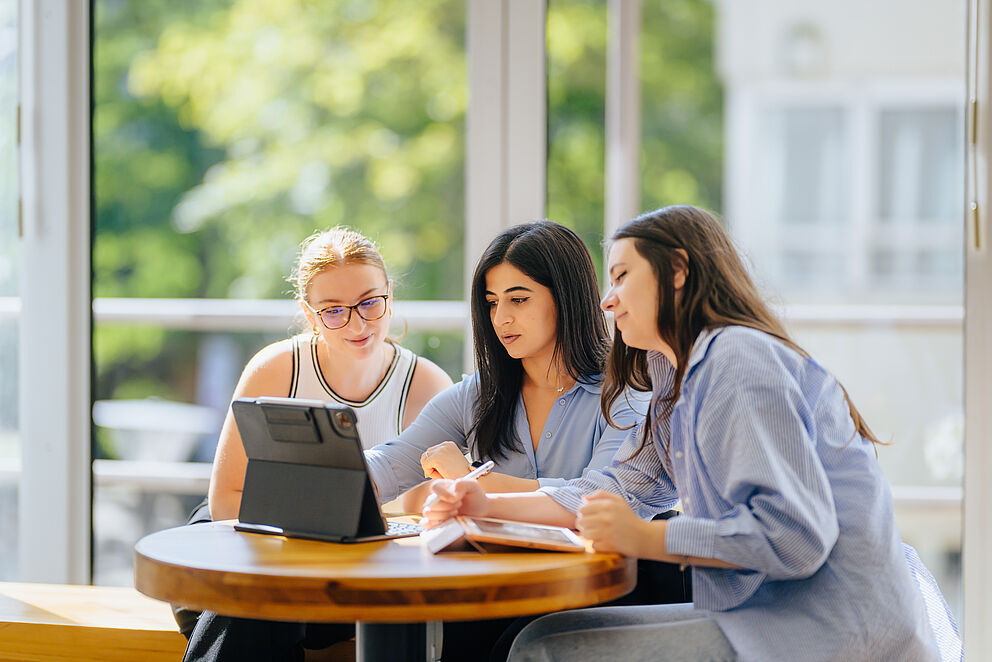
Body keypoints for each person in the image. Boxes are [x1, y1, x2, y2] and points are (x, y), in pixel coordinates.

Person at [423, 205, 948, 662]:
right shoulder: (674, 374)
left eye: (621, 276)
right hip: (757, 614)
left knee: (543, 650)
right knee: (536, 639)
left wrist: (646, 537)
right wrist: (486, 503)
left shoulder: (737, 359)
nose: (607, 301)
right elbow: (618, 488)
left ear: (676, 271)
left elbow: (796, 537)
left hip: (828, 629)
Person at [183, 221, 658, 662]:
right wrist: (325, 472)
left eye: (518, 299)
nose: (501, 318)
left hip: (573, 596)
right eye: (492, 302)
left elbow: (597, 498)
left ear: (567, 298)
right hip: (477, 590)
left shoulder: (625, 395)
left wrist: (472, 487)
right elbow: (394, 461)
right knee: (250, 607)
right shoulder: (478, 395)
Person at [173, 227, 452, 639]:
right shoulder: (275, 369)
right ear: (309, 314)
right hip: (252, 536)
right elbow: (225, 500)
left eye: (370, 302)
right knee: (255, 596)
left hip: (357, 559)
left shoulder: (425, 385)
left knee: (256, 607)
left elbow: (421, 516)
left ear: (390, 295)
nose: (357, 323)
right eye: (334, 310)